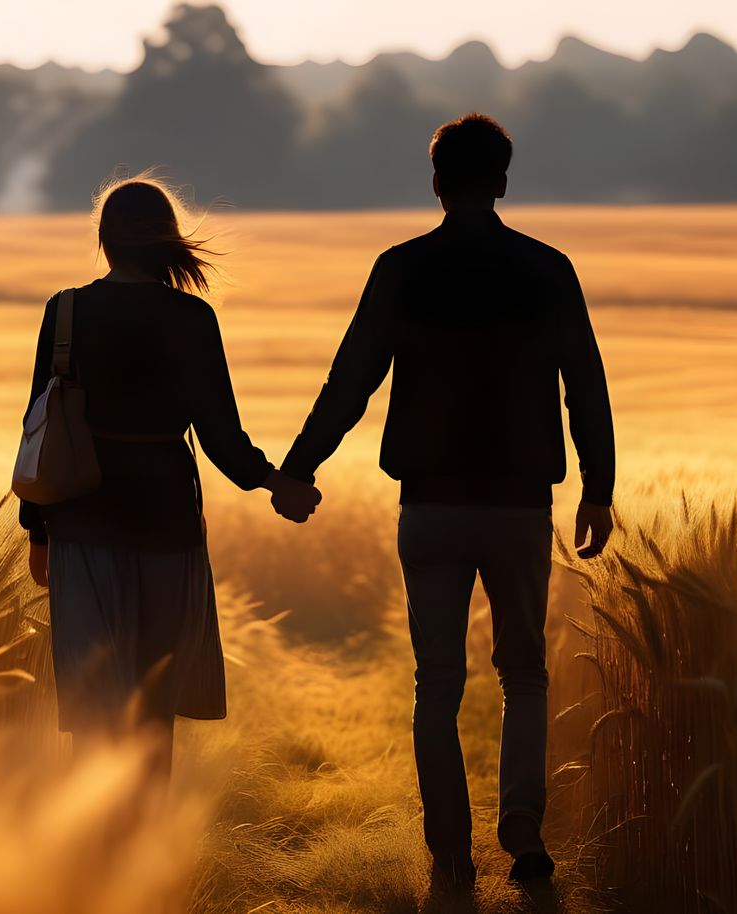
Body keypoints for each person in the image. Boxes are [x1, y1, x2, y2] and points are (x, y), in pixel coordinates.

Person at [276, 114, 616, 889]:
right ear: (501, 182)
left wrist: (298, 469)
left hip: (429, 505)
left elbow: (350, 381)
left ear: (435, 184)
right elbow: (584, 385)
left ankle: (451, 850)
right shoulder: (547, 268)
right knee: (524, 672)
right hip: (519, 503)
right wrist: (599, 486)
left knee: (437, 683)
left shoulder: (401, 268)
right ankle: (524, 832)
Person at [18, 176, 321, 775]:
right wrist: (276, 482)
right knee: (153, 709)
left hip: (82, 524)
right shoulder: (190, 318)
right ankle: (145, 847)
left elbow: (38, 428)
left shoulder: (67, 312)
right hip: (166, 525)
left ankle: (96, 846)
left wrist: (38, 532)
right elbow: (220, 437)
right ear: (167, 243)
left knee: (94, 705)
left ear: (103, 241)